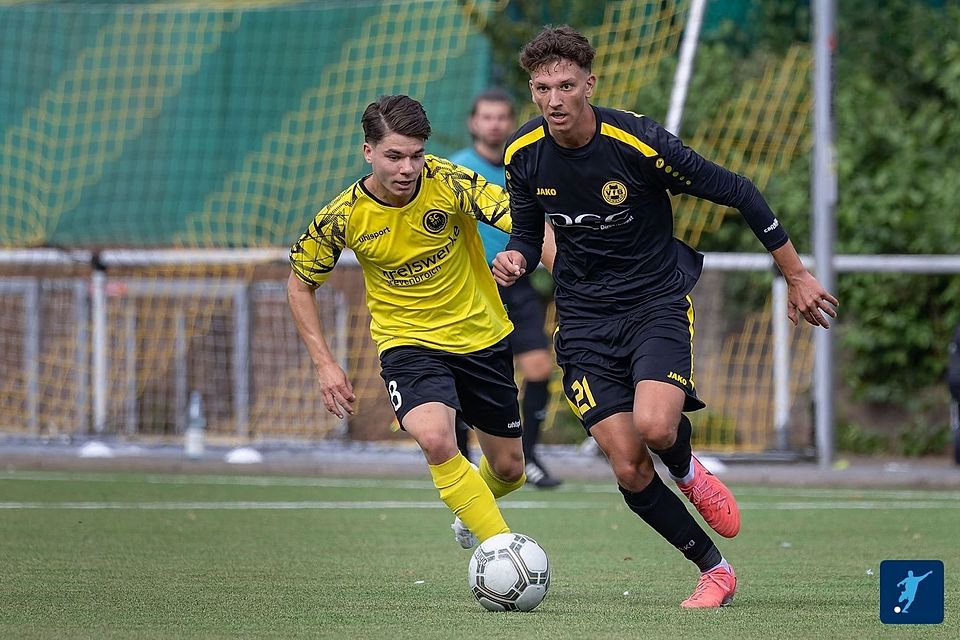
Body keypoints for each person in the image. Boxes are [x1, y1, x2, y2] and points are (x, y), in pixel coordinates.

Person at [493, 26, 839, 608]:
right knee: (627, 464)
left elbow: (739, 190)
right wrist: (516, 258)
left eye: (566, 86)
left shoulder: (638, 142)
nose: (554, 100)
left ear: (589, 85)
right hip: (581, 319)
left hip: (654, 303)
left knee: (655, 429)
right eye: (542, 88)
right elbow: (529, 236)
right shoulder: (523, 155)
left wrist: (796, 273)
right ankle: (715, 570)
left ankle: (685, 467)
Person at [288, 95, 552, 551]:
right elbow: (298, 284)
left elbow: (524, 221)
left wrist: (522, 255)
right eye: (394, 156)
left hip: (481, 338)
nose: (407, 168)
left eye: (416, 155)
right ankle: (505, 552)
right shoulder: (344, 215)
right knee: (434, 437)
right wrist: (324, 364)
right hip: (408, 345)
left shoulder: (449, 181)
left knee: (510, 470)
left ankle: (473, 510)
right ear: (368, 151)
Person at [449, 88, 561, 489]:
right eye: (487, 117)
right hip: (471, 289)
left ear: (511, 122)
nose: (494, 124)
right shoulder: (455, 170)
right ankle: (462, 464)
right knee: (466, 376)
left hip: (519, 285)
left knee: (538, 368)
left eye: (502, 117)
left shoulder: (524, 165)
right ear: (473, 122)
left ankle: (529, 458)